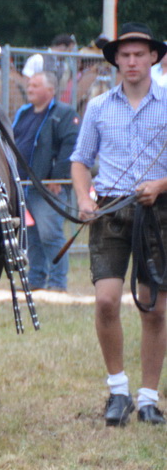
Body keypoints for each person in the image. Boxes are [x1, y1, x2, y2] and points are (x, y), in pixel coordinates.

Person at [69, 24, 167, 426]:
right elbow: (79, 159)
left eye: (139, 54)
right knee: (107, 299)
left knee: (155, 308)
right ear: (116, 61)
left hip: (158, 213)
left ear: (153, 58)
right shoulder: (98, 106)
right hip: (110, 210)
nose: (132, 62)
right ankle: (118, 391)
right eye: (124, 55)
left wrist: (160, 185)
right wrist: (82, 197)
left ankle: (148, 397)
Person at [11, 71, 79, 292]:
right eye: (29, 85)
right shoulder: (23, 112)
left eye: (35, 85)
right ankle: (36, 280)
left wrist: (58, 176)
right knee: (32, 236)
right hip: (24, 185)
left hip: (48, 186)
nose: (29, 89)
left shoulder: (64, 114)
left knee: (50, 234)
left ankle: (58, 283)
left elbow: (70, 146)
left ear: (51, 90)